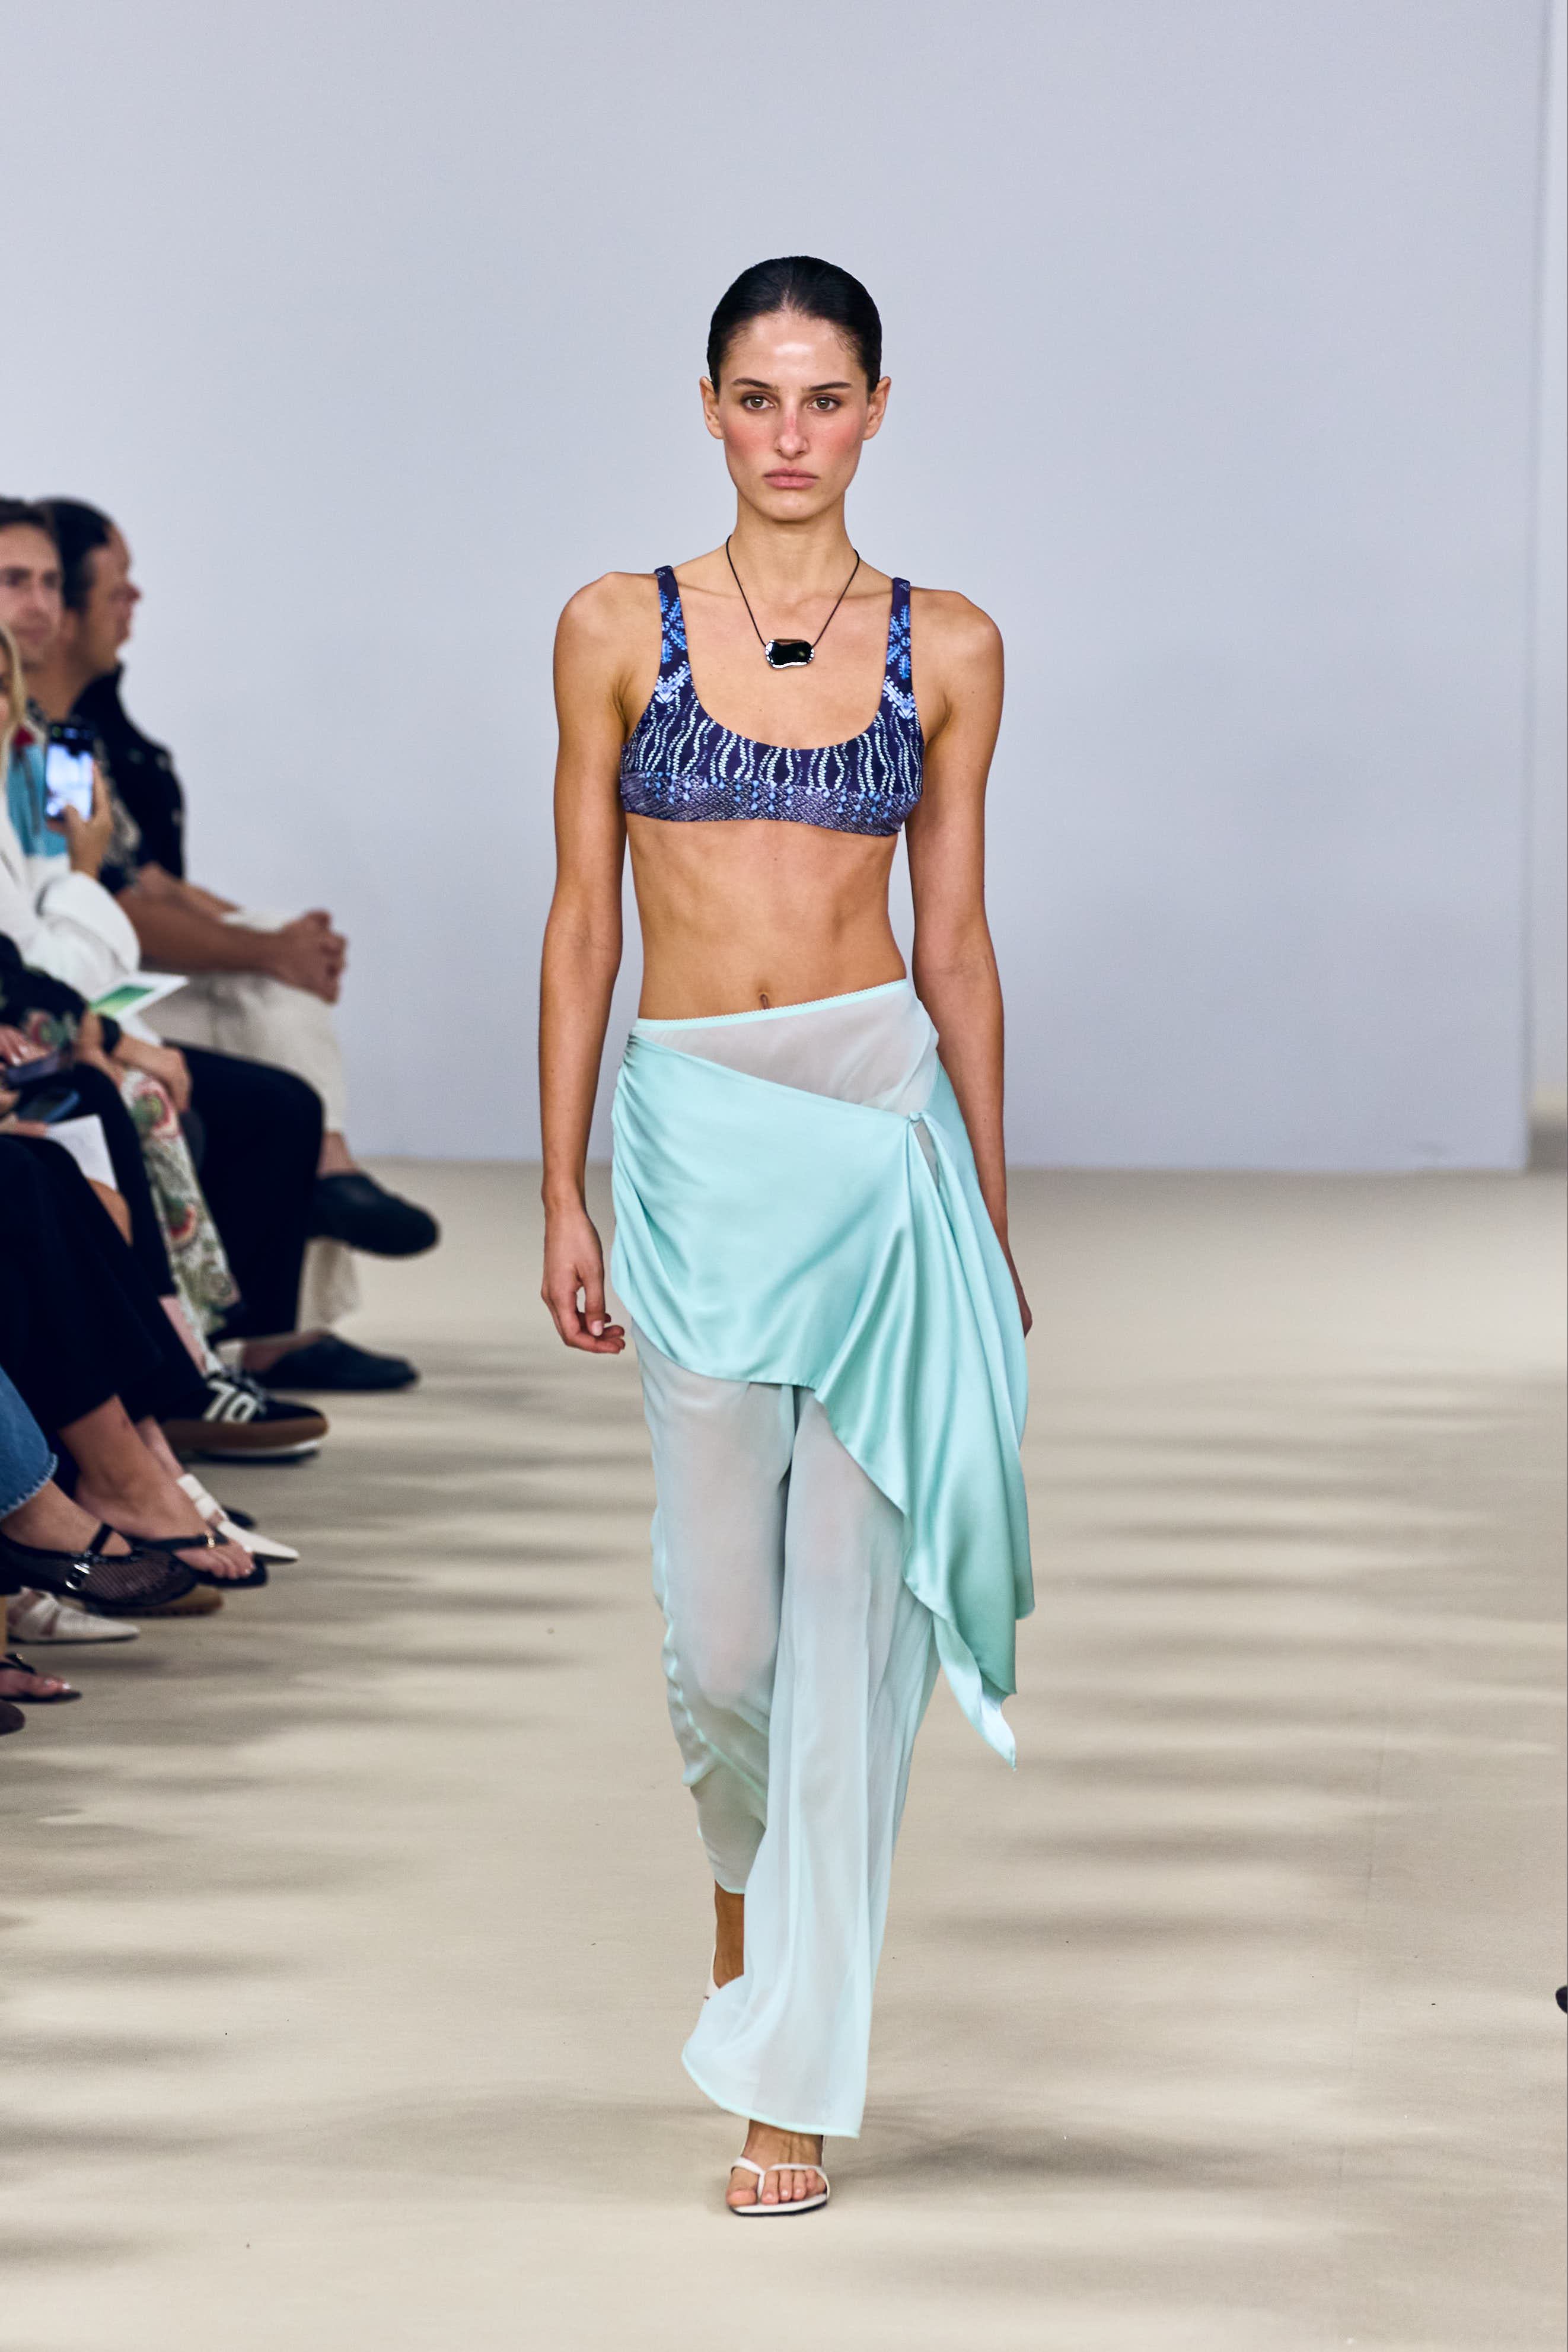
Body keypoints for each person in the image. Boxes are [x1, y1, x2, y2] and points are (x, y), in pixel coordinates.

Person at [539, 257, 1033, 2214]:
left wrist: (986, 1210)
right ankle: (741, 1899)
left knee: (844, 1617)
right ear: (708, 405)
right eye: (758, 396)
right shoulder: (612, 625)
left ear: (877, 410)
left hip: (876, 1128)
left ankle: (792, 2079)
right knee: (724, 1637)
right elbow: (584, 918)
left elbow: (957, 941)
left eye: (825, 398)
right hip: (694, 1137)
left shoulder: (951, 642)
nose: (790, 433)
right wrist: (562, 1179)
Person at [0, 515, 407, 1396]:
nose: (40, 606)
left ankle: (227, 1352)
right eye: (16, 582)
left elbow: (113, 884)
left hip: (73, 993)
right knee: (244, 1087)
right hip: (54, 1008)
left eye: (48, 582)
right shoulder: (45, 741)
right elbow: (85, 902)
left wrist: (266, 942)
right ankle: (186, 1371)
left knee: (272, 1080)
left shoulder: (57, 739)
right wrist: (115, 1024)